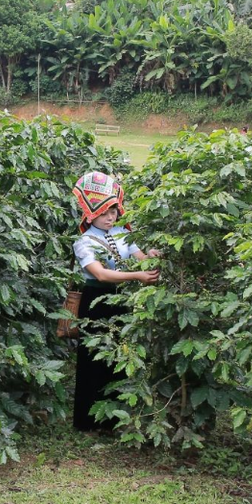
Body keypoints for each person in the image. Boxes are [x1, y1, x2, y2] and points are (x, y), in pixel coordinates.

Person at [71, 171, 160, 432]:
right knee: (93, 359)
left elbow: (142, 258)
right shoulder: (84, 241)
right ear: (90, 213)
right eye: (105, 212)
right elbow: (99, 273)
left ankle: (115, 419)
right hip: (96, 302)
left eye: (114, 212)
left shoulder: (122, 233)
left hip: (120, 301)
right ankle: (89, 422)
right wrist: (136, 276)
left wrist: (153, 256)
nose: (111, 217)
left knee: (119, 357)